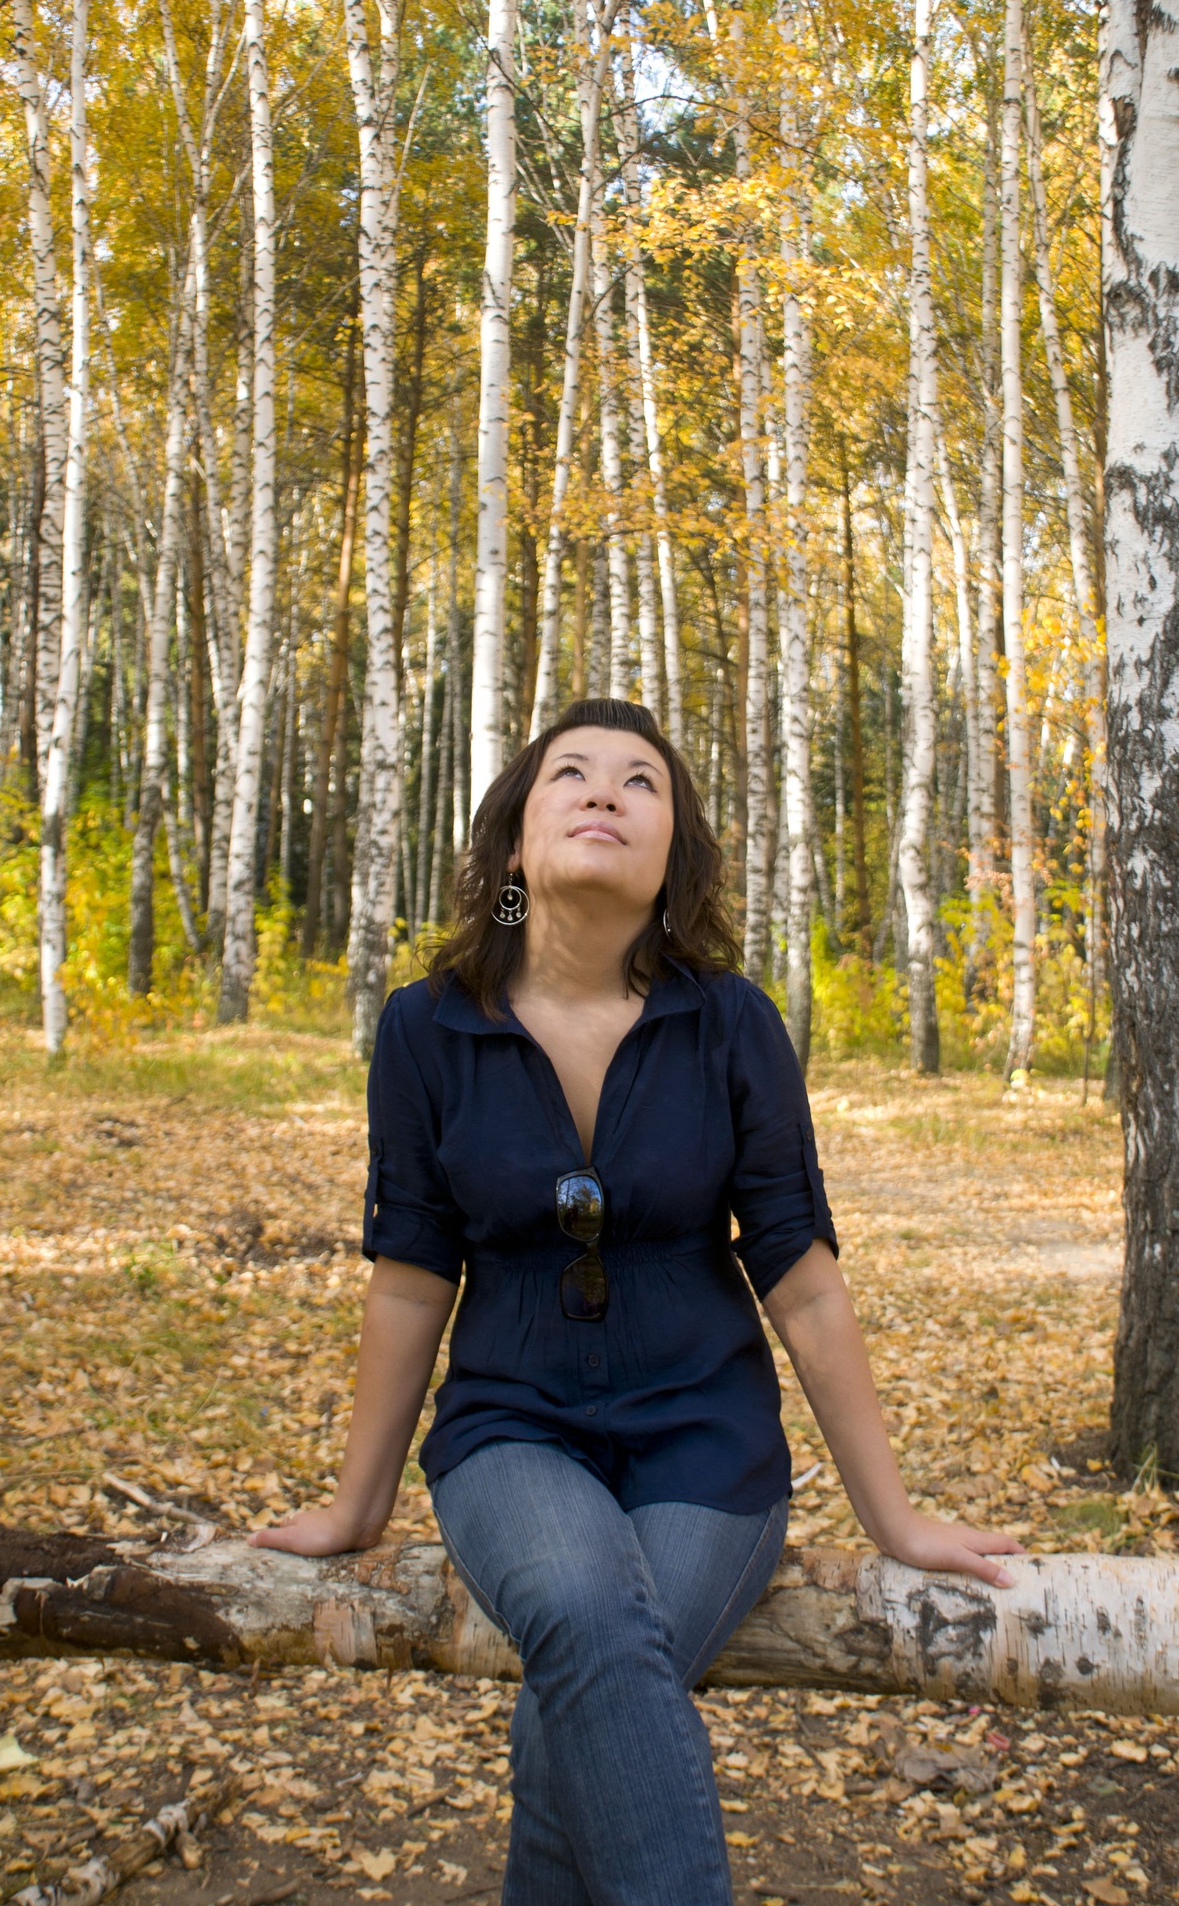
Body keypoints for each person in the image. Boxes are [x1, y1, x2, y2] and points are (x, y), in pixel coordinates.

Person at [252, 696, 1021, 1906]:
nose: (605, 790)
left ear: (674, 857)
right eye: (571, 772)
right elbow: (409, 1274)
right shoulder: (425, 1026)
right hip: (511, 1430)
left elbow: (803, 1282)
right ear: (516, 840)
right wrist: (358, 1502)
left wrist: (895, 1517)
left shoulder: (730, 1022)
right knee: (585, 1607)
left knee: (577, 1704)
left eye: (640, 780)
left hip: (706, 1441)